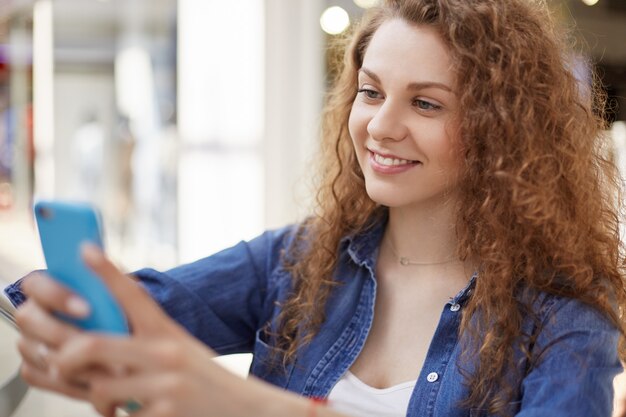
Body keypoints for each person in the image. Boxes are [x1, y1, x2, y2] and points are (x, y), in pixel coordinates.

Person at [4, 0, 626, 416]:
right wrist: (60, 311)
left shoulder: (564, 312)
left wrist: (247, 406)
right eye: (371, 92)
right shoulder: (297, 260)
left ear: (502, 131)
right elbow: (107, 313)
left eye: (426, 104)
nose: (381, 126)